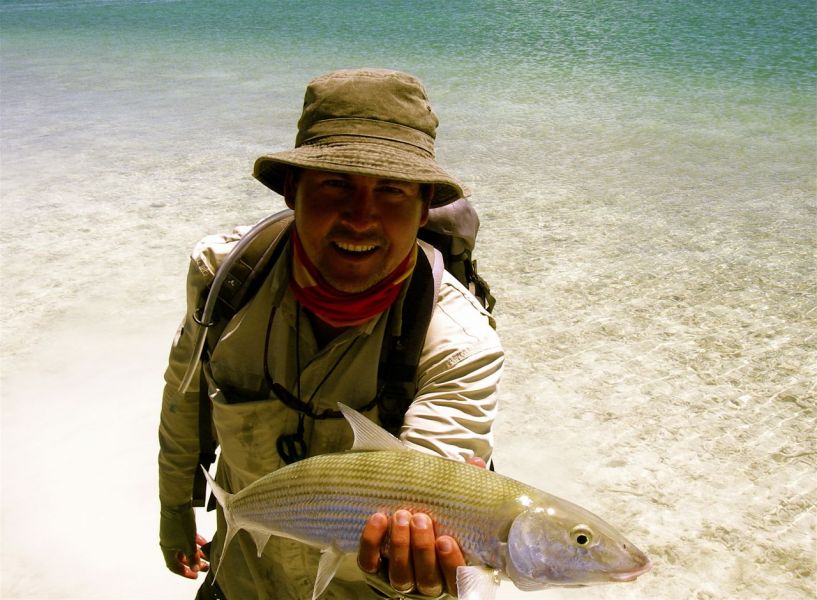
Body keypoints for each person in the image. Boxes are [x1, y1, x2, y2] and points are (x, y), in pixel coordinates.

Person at [158, 68, 504, 599]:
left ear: (423, 204)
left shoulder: (459, 344)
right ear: (293, 190)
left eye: (391, 190)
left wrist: (418, 581)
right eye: (336, 183)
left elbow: (437, 483)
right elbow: (184, 399)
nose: (360, 218)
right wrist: (175, 506)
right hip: (240, 577)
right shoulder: (224, 277)